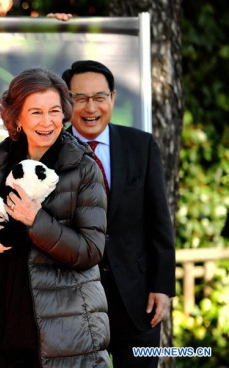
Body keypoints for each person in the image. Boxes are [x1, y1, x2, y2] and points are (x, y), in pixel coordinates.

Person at [0, 68, 110, 368]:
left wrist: (37, 222)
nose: (47, 122)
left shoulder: (84, 167)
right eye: (36, 112)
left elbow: (91, 250)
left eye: (55, 111)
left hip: (62, 320)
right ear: (17, 117)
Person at [61, 60, 176, 368]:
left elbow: (159, 223)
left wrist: (163, 287)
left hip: (139, 301)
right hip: (75, 303)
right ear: (66, 102)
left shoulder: (141, 145)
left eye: (99, 97)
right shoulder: (52, 153)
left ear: (112, 98)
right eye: (80, 98)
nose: (90, 107)